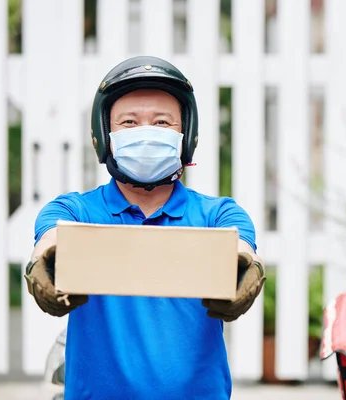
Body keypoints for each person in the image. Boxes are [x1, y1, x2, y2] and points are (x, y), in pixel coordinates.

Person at [23, 55, 266, 400]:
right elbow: (49, 240)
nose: (146, 133)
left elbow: (242, 250)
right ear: (105, 134)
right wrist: (42, 265)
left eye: (163, 122)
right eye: (129, 122)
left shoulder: (219, 215)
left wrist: (249, 271)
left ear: (187, 135)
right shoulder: (75, 211)